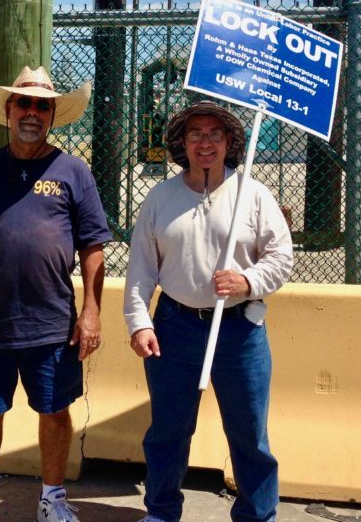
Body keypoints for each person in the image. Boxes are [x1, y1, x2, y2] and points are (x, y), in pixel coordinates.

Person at [0, 65, 112, 522]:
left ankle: (52, 499)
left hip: (52, 325)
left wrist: (92, 313)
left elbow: (93, 248)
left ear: (53, 115)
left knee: (55, 413)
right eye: (24, 103)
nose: (33, 112)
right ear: (8, 110)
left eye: (43, 105)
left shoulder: (73, 171)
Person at [123, 100, 294, 522]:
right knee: (168, 431)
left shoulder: (252, 194)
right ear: (182, 143)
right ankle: (161, 511)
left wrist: (247, 281)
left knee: (249, 436)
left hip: (240, 333)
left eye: (215, 134)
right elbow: (142, 268)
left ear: (230, 142)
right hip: (175, 327)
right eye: (195, 134)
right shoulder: (161, 198)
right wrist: (139, 322)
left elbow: (281, 257)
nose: (205, 143)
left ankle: (257, 515)